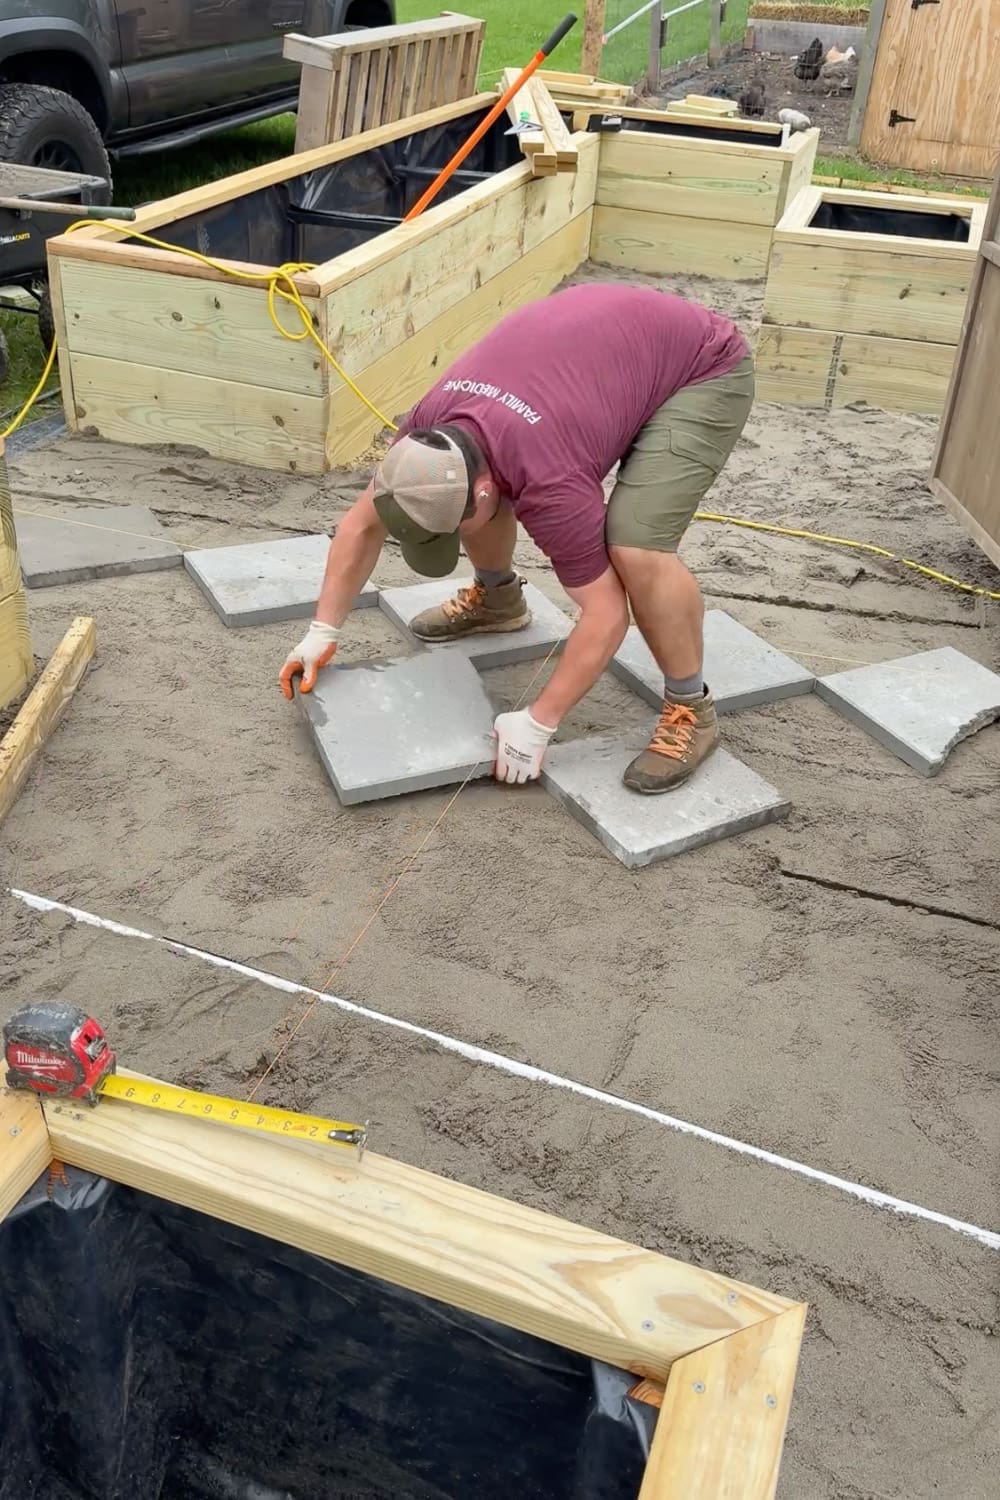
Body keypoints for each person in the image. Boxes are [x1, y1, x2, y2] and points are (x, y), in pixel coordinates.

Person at [280, 282, 753, 793]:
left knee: (635, 543)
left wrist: (538, 722)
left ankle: (691, 709)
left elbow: (606, 614)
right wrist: (321, 631)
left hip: (701, 366)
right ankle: (499, 601)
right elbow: (361, 524)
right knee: (483, 492)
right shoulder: (424, 441)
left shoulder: (550, 482)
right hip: (604, 358)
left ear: (484, 491)